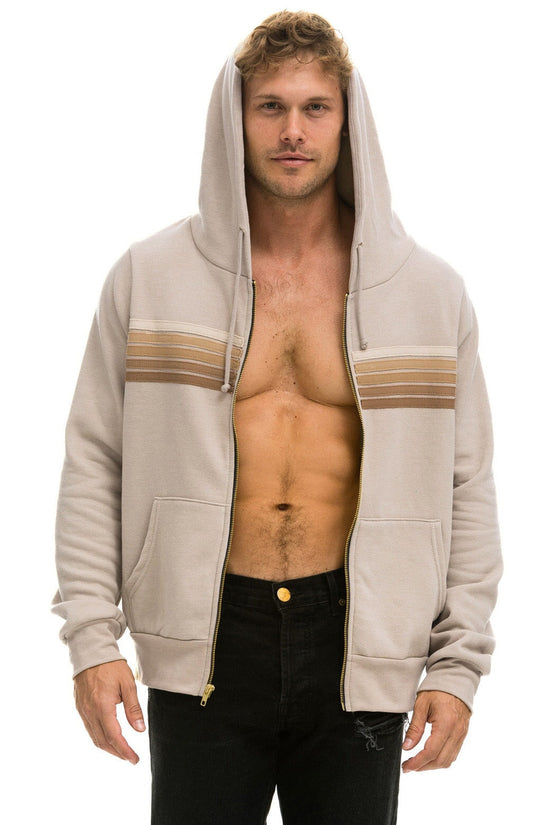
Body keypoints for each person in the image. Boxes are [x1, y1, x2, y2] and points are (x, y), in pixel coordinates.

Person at [51, 10, 502, 825]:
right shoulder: (149, 277)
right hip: (207, 635)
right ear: (237, 119)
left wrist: (457, 663)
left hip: (361, 639)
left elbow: (466, 485)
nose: (293, 130)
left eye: (314, 107)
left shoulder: (428, 293)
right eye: (271, 107)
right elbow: (95, 461)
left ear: (347, 120)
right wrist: (91, 637)